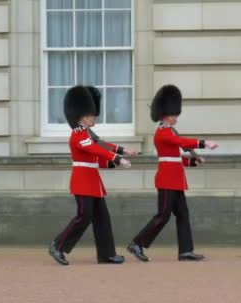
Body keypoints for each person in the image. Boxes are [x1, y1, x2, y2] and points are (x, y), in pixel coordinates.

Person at [127, 84, 219, 262]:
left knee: (183, 214)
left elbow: (176, 158)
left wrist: (193, 160)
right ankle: (137, 244)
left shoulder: (168, 131)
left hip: (175, 180)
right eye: (174, 114)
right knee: (163, 215)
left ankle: (186, 250)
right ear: (167, 115)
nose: (176, 117)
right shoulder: (162, 133)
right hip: (167, 180)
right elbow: (180, 142)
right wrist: (204, 143)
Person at [48, 85, 136, 265]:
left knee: (102, 218)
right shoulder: (78, 135)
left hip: (93, 181)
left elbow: (101, 146)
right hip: (82, 181)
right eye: (90, 114)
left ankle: (106, 254)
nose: (94, 117)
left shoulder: (87, 133)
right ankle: (58, 245)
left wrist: (122, 150)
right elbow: (95, 148)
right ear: (80, 116)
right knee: (83, 217)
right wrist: (117, 158)